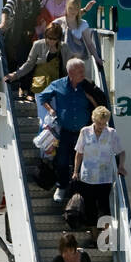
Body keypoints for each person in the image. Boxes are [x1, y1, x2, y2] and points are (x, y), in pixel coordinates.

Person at [39, 58, 108, 203]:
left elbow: (101, 105)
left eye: (84, 70)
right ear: (70, 73)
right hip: (65, 131)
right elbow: (42, 97)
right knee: (62, 161)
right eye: (80, 71)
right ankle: (62, 187)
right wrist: (51, 110)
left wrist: (91, 99)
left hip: (84, 133)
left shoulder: (88, 86)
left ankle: (78, 192)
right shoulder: (58, 85)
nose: (84, 73)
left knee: (82, 162)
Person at [72, 106, 126, 227]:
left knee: (104, 209)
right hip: (87, 177)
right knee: (90, 209)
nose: (101, 126)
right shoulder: (85, 131)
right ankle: (94, 238)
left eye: (104, 123)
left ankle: (106, 239)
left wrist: (121, 166)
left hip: (104, 177)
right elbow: (79, 153)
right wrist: (76, 171)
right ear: (93, 120)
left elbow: (121, 151)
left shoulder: (111, 133)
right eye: (99, 123)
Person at [5, 22, 64, 120]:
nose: (51, 41)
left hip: (57, 87)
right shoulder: (37, 45)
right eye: (49, 37)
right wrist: (15, 75)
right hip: (41, 86)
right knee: (43, 118)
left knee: (56, 119)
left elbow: (68, 67)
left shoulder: (64, 47)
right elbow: (29, 64)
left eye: (54, 39)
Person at [0, 0, 42, 85]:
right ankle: (19, 87)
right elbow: (6, 9)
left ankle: (27, 88)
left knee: (31, 59)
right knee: (19, 58)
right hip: (16, 32)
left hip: (32, 33)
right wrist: (3, 23)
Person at [55, 0, 103, 70]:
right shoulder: (58, 23)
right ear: (66, 7)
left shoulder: (83, 24)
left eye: (76, 9)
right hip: (60, 62)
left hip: (76, 63)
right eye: (70, 8)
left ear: (78, 9)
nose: (73, 11)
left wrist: (97, 59)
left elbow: (90, 44)